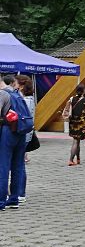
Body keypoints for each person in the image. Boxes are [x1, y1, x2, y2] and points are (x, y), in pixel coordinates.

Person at [0, 72, 32, 210]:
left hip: (8, 132)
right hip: (21, 132)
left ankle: (1, 201)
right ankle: (14, 199)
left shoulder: (3, 94)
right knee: (18, 166)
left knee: (3, 166)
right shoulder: (17, 94)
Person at [16, 75, 35, 201]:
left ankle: (20, 192)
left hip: (22, 134)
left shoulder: (25, 100)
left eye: (16, 83)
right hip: (27, 134)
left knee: (19, 164)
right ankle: (20, 192)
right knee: (20, 163)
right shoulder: (31, 99)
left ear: (21, 85)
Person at [67, 84, 85, 166]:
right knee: (76, 141)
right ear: (83, 91)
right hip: (81, 123)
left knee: (77, 140)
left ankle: (78, 158)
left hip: (73, 122)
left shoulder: (72, 99)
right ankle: (71, 160)